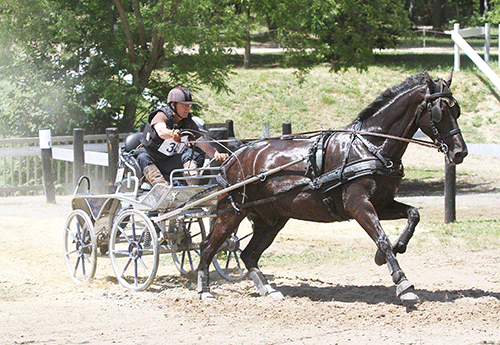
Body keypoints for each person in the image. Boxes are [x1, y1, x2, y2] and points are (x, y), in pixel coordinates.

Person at [138, 86, 229, 186]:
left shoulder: (189, 123)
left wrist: (217, 155)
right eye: (184, 106)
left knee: (190, 154)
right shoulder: (161, 115)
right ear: (173, 105)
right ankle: (162, 188)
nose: (187, 109)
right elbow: (161, 131)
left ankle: (192, 187)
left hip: (170, 160)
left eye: (189, 106)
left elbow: (202, 143)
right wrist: (171, 134)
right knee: (142, 157)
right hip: (153, 159)